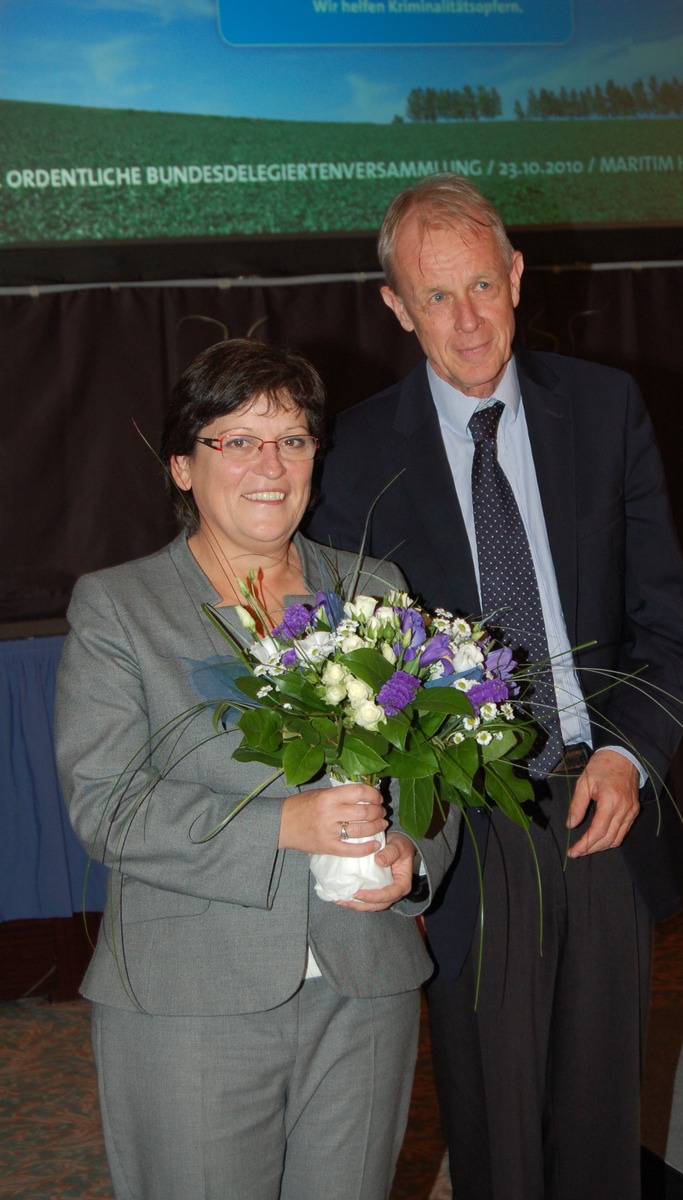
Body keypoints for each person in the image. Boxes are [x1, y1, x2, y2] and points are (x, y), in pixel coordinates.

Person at [306, 174, 683, 1199]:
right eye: (436, 297)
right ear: (395, 306)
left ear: (518, 276)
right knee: (498, 1132)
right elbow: (340, 670)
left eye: (483, 284)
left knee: (602, 1127)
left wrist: (629, 754)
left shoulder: (608, 409)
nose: (468, 319)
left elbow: (666, 620)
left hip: (600, 804)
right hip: (468, 829)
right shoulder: (349, 457)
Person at [55, 339, 458, 1200]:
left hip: (367, 986)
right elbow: (110, 808)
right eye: (236, 440)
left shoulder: (378, 591)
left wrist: (411, 859)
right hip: (190, 999)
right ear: (181, 467)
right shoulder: (120, 609)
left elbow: (437, 773)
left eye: (293, 440)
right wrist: (285, 826)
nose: (269, 465)